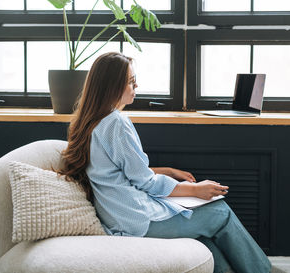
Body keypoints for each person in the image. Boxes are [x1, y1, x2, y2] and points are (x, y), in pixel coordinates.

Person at [59, 52, 272, 273]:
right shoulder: (115, 123)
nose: (136, 85)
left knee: (208, 245)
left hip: (118, 217)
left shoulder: (89, 122)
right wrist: (195, 189)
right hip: (135, 218)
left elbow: (118, 171)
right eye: (131, 81)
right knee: (221, 212)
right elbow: (145, 182)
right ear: (113, 86)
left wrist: (168, 171)